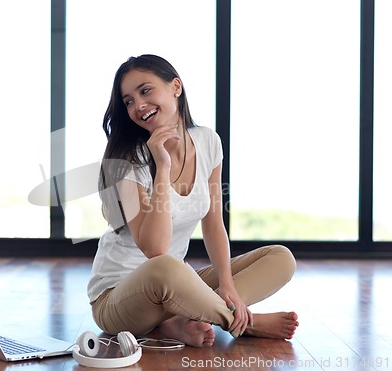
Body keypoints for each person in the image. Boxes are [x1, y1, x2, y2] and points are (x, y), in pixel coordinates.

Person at [87, 54, 299, 348]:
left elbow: (213, 222)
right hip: (119, 296)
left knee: (280, 258)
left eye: (145, 91)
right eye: (128, 101)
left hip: (177, 286)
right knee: (167, 267)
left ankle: (179, 320)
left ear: (175, 87)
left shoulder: (208, 141)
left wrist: (227, 285)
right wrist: (161, 166)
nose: (138, 105)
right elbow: (156, 249)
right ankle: (244, 322)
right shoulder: (127, 161)